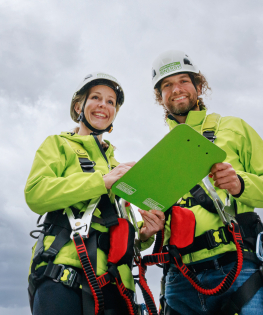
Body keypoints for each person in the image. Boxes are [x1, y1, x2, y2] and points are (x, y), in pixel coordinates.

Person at [150, 50, 263, 315]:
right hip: (180, 279)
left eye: (183, 81)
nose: (176, 89)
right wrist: (150, 228)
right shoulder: (159, 156)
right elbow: (154, 223)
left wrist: (240, 184)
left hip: (237, 268)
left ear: (199, 86)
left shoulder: (234, 128)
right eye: (166, 85)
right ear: (161, 98)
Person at [26, 72, 166, 315]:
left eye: (111, 102)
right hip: (63, 277)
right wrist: (101, 182)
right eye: (96, 98)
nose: (104, 105)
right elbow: (36, 194)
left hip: (115, 285)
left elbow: (122, 226)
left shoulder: (117, 167)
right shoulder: (58, 145)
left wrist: (145, 234)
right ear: (79, 105)